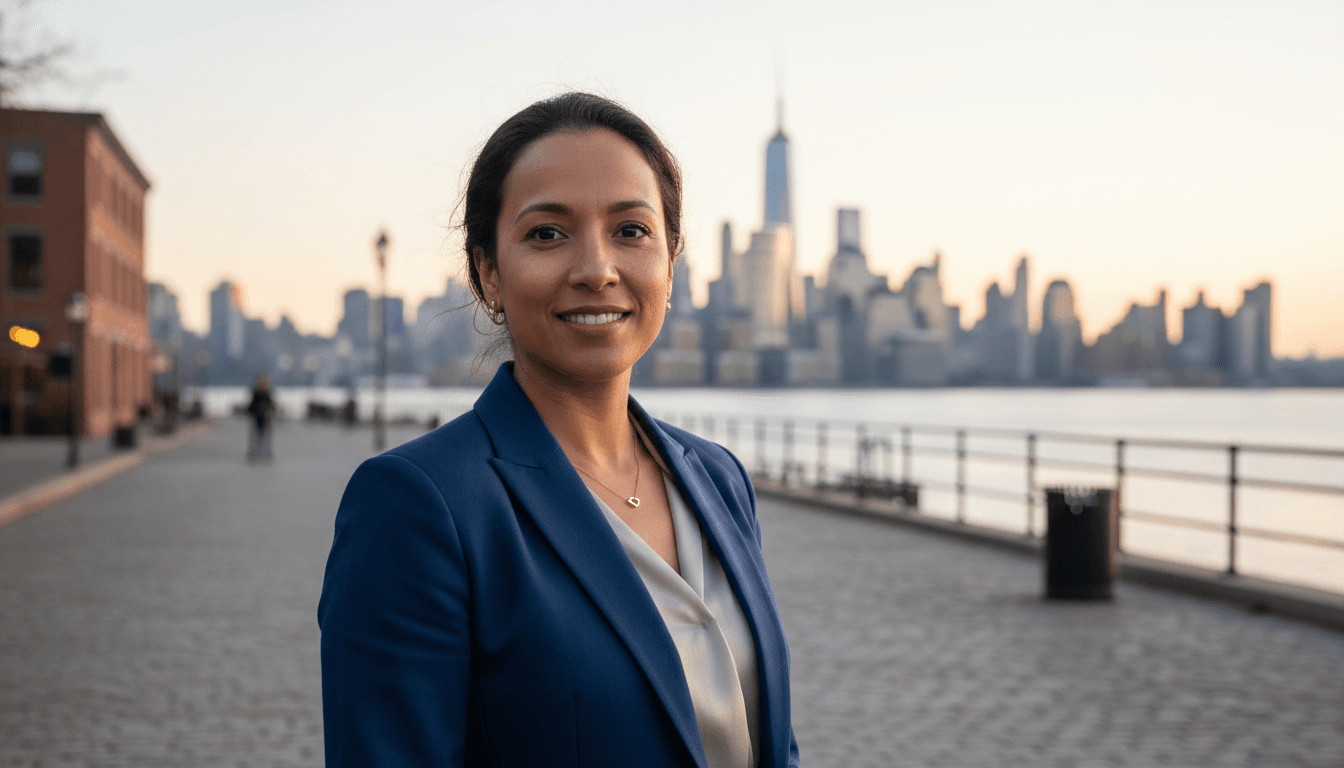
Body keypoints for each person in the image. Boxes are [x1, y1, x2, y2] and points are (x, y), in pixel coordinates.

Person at [318, 92, 800, 768]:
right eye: (547, 233)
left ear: (670, 261)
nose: (596, 269)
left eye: (631, 231)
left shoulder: (718, 480)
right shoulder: (418, 506)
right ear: (489, 271)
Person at [246, 373, 276, 461]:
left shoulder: (267, 394)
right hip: (256, 417)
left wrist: (274, 412)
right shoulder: (256, 394)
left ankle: (265, 452)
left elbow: (271, 404)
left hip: (266, 417)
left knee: (266, 436)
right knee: (255, 436)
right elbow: (251, 405)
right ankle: (254, 452)